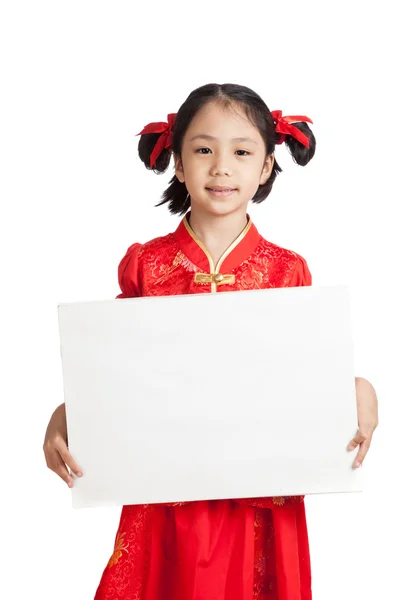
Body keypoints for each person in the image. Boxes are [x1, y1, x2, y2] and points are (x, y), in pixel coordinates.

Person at [43, 83, 379, 600]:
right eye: (203, 149)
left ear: (267, 166)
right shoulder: (146, 265)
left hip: (259, 492)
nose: (222, 167)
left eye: (242, 152)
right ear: (177, 162)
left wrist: (359, 390)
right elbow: (114, 368)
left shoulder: (288, 271)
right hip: (166, 488)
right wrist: (71, 412)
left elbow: (303, 374)